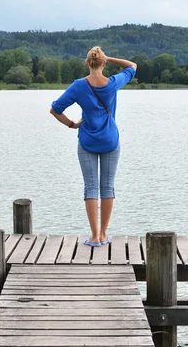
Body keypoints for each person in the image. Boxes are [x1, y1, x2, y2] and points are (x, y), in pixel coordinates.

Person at [50, 47, 137, 247]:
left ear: (87, 63)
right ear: (103, 63)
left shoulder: (79, 86)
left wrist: (72, 124)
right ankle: (105, 235)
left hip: (87, 141)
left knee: (91, 188)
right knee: (107, 187)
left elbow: (55, 109)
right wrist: (110, 58)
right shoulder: (113, 83)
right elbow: (132, 66)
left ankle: (95, 236)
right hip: (110, 141)